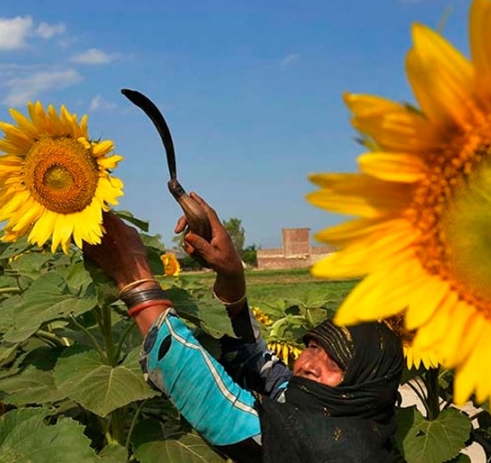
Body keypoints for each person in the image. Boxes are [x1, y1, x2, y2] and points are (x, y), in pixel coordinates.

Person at [83, 193, 405, 463]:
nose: (310, 365)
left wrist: (133, 276)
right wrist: (232, 275)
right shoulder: (313, 402)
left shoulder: (340, 449)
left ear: (366, 389)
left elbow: (222, 410)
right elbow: (258, 364)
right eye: (313, 347)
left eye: (336, 363)